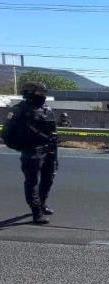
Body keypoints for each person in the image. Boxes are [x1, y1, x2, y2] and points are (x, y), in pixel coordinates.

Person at [8, 82, 59, 224]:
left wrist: (54, 153)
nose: (43, 96)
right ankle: (36, 212)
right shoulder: (20, 110)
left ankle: (42, 204)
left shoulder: (47, 109)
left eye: (44, 93)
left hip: (49, 150)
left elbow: (53, 131)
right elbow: (8, 133)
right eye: (40, 93)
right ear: (31, 93)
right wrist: (22, 146)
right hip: (31, 152)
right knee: (32, 182)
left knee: (48, 179)